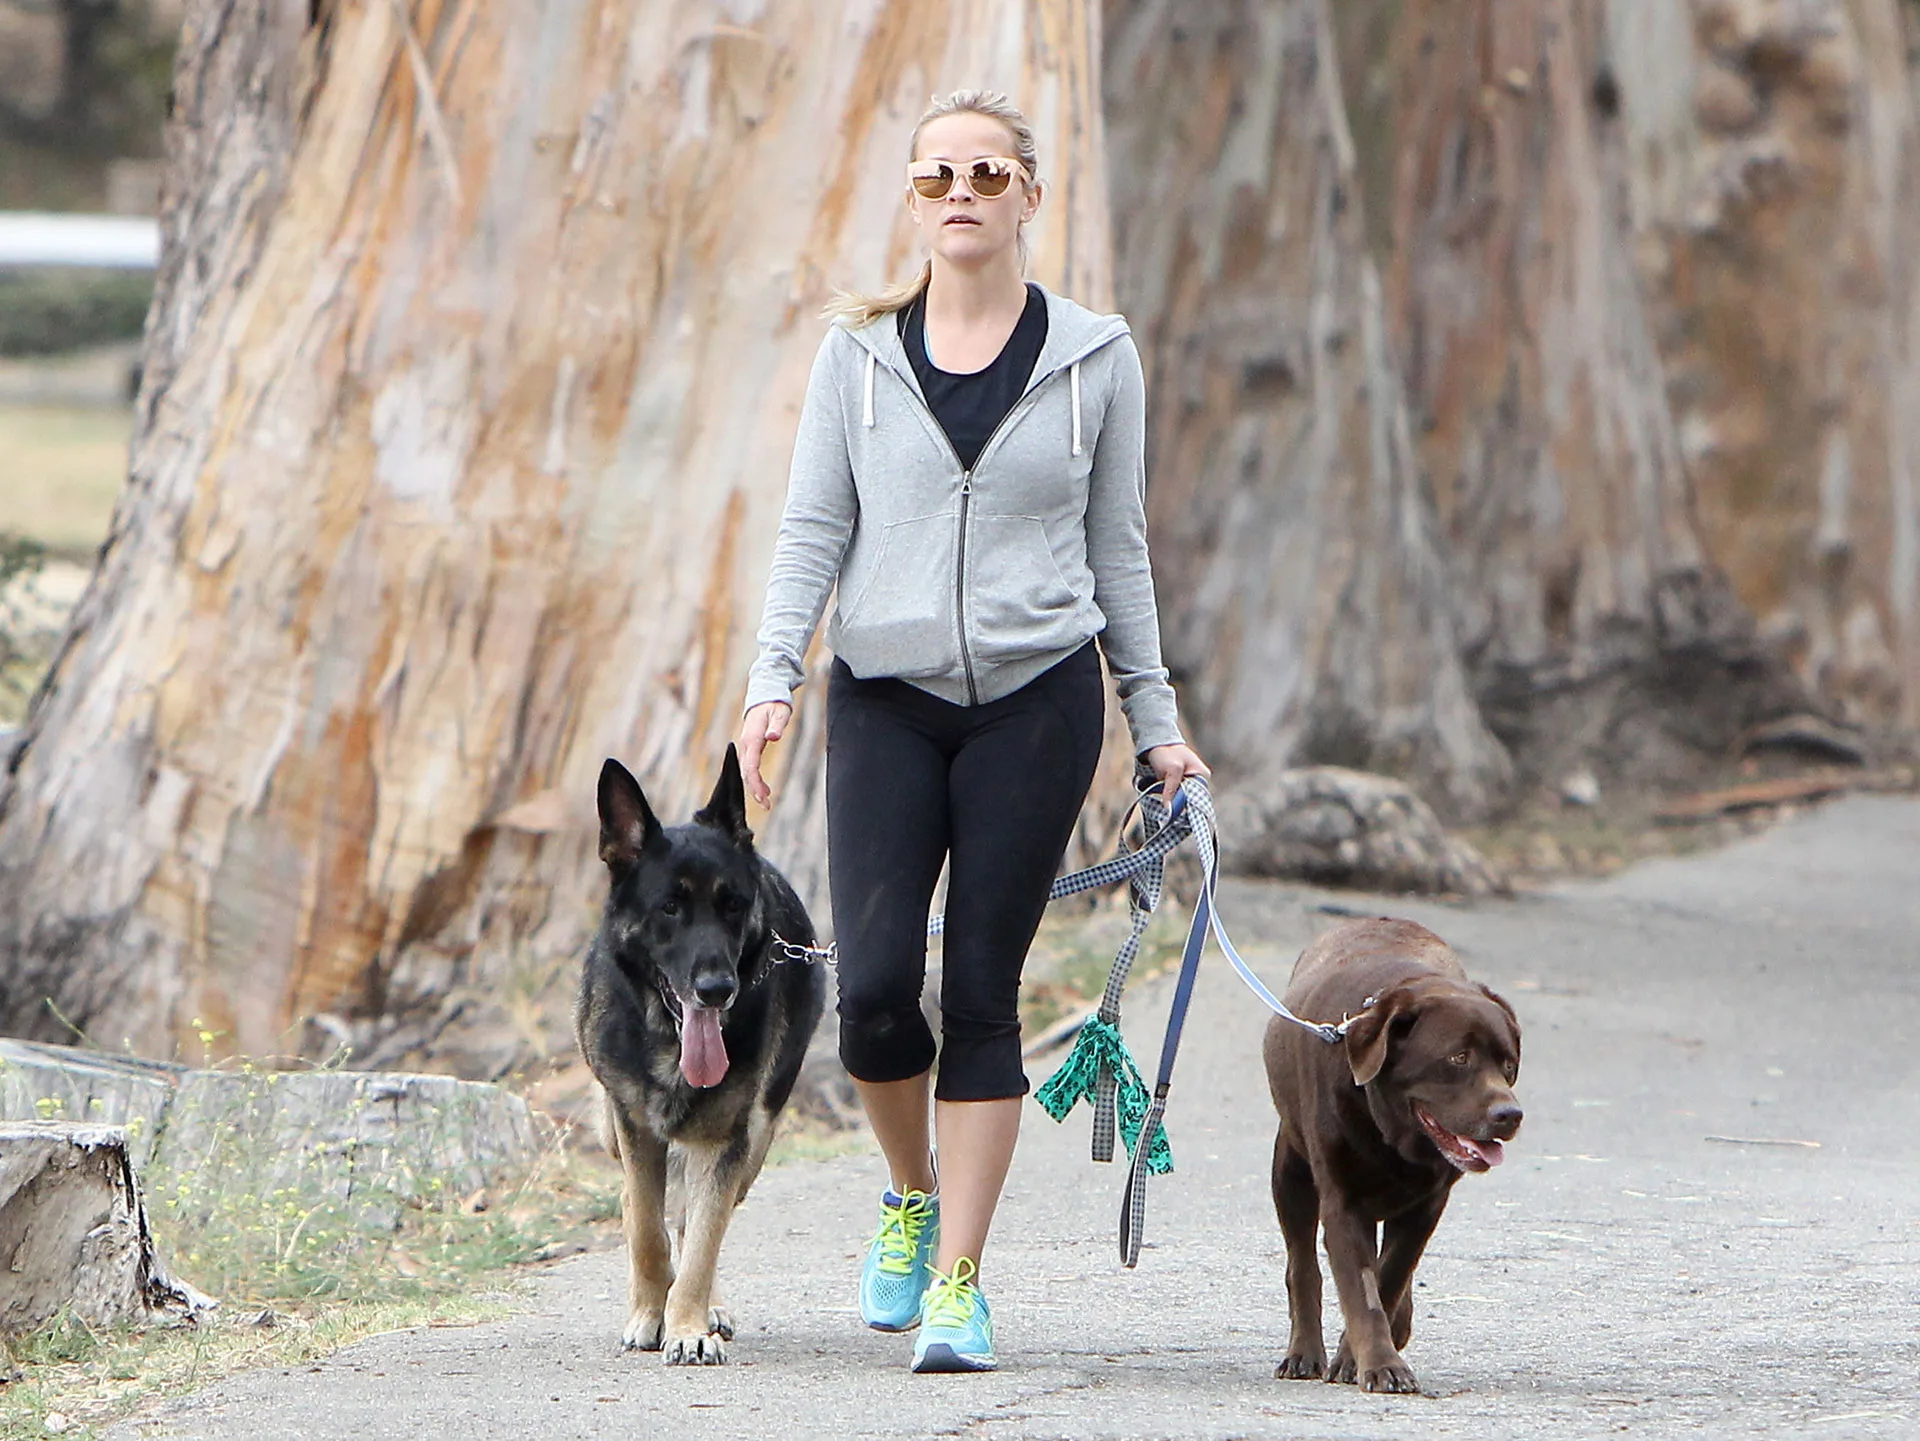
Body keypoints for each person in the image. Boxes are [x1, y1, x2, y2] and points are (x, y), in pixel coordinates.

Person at [737, 89, 1207, 1375]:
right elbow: (810, 531)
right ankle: (908, 1193)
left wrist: (1155, 725)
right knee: (877, 991)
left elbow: (1122, 550)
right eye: (938, 174)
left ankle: (960, 1281)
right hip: (883, 701)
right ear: (911, 195)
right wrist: (771, 679)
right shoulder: (859, 355)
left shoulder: (1096, 356)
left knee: (983, 993)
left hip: (1036, 705)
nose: (961, 193)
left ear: (1029, 198)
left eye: (987, 174)